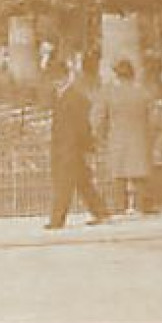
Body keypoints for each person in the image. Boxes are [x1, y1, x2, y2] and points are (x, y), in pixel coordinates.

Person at [46, 62, 107, 229]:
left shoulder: (76, 98)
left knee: (64, 183)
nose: (55, 83)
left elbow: (83, 126)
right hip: (64, 147)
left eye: (58, 79)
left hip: (72, 147)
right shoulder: (59, 95)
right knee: (82, 182)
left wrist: (86, 146)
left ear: (67, 77)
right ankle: (101, 211)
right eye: (53, 80)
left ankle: (57, 220)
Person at [93, 59, 155, 215]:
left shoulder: (108, 91)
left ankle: (119, 207)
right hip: (139, 137)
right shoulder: (142, 90)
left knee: (118, 174)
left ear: (116, 74)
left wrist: (98, 135)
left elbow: (97, 117)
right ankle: (142, 206)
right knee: (139, 172)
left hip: (117, 138)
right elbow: (153, 115)